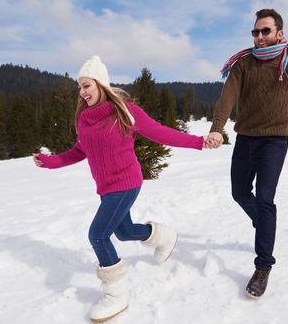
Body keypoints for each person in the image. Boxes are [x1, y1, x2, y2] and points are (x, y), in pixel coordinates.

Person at [33, 55, 206, 323]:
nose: (82, 92)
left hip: (126, 183)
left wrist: (199, 142)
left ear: (101, 84)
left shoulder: (125, 112)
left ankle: (116, 295)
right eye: (79, 87)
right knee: (123, 232)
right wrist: (50, 161)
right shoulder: (84, 120)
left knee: (99, 235)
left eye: (87, 85)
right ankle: (162, 236)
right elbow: (79, 151)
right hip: (106, 188)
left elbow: (161, 132)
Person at [207, 8, 288, 298]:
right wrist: (217, 128)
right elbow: (227, 98)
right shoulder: (244, 64)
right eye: (255, 32)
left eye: (265, 31)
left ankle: (263, 266)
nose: (259, 36)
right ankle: (264, 224)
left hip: (275, 141)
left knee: (266, 199)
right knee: (240, 193)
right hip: (246, 137)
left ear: (279, 33)